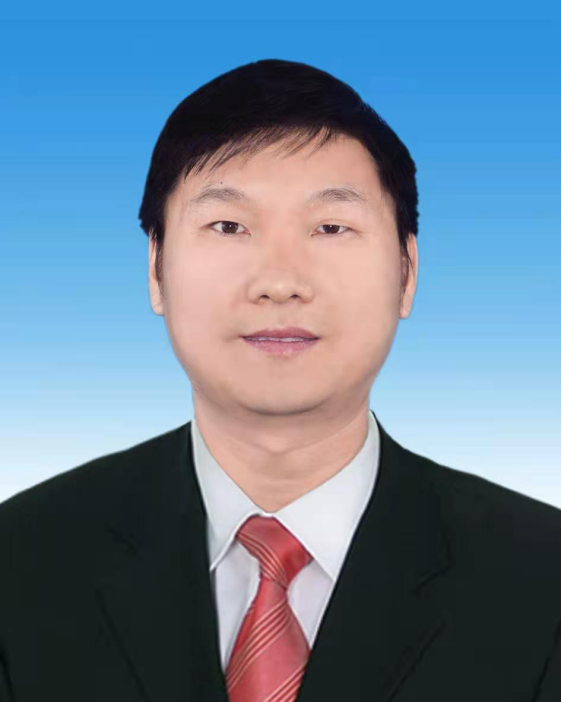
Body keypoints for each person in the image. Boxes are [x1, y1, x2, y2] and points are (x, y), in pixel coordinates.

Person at [0, 58, 559, 702]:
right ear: (156, 269)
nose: (280, 281)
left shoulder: (541, 580)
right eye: (228, 226)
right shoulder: (21, 563)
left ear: (407, 271)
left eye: (330, 227)